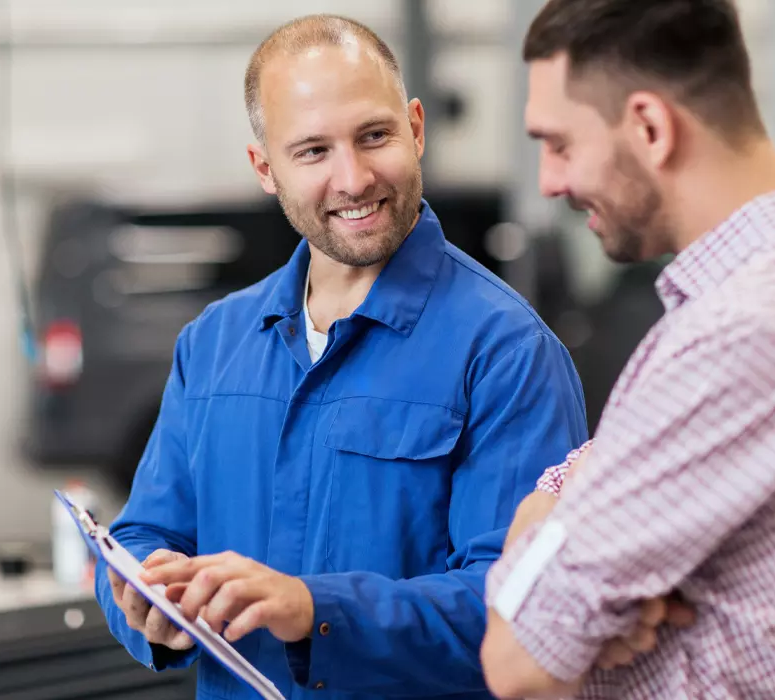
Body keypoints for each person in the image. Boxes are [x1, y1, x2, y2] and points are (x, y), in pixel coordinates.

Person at [92, 14, 598, 700]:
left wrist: (315, 611)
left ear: (415, 128)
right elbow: (146, 530)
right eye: (312, 152)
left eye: (374, 136)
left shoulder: (506, 352)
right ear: (264, 168)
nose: (353, 178)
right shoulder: (212, 345)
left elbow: (523, 608)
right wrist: (143, 594)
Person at [480, 0, 775, 698]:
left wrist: (538, 521)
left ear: (650, 127)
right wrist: (560, 511)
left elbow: (515, 661)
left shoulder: (749, 329)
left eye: (560, 143)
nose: (550, 181)